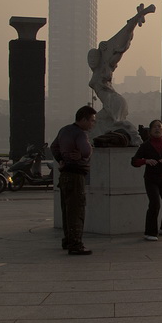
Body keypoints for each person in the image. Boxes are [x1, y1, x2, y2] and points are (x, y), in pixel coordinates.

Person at [50, 106, 96, 255]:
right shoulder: (80, 134)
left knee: (67, 210)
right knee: (77, 210)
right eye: (91, 121)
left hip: (65, 175)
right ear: (83, 119)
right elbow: (87, 151)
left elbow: (54, 147)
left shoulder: (64, 130)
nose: (92, 124)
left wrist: (61, 159)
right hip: (76, 175)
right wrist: (83, 155)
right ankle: (76, 244)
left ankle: (68, 239)